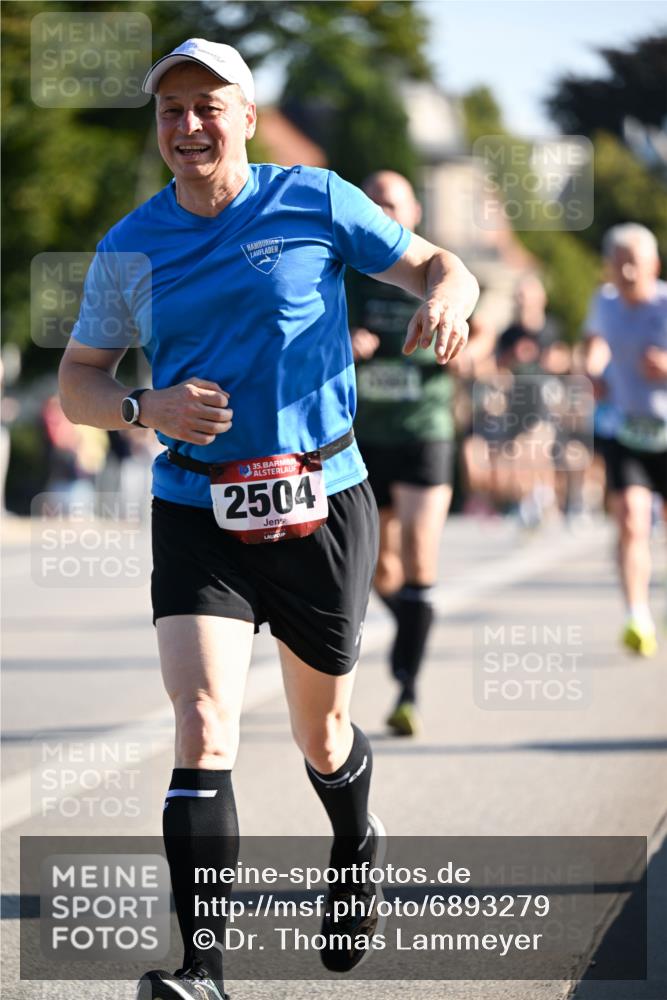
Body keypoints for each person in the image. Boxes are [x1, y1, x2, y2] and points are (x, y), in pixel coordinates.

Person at [58, 39, 478, 1000]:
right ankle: (202, 970)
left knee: (320, 735)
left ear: (247, 115)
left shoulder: (316, 200)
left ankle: (354, 838)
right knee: (202, 722)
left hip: (319, 499)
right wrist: (144, 409)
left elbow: (436, 266)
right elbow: (83, 379)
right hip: (195, 502)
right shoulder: (132, 245)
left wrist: (453, 296)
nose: (188, 126)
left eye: (208, 107)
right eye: (171, 111)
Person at [349, 171, 460, 736]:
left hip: (424, 430)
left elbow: (479, 326)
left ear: (414, 210)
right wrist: (346, 344)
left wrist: (461, 342)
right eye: (372, 202)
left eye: (392, 202)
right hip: (364, 437)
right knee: (377, 566)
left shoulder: (430, 268)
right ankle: (410, 624)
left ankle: (408, 685)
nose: (382, 211)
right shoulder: (349, 271)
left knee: (418, 553)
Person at [584, 223, 667, 657]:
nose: (629, 271)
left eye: (636, 262)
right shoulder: (605, 302)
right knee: (632, 521)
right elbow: (594, 342)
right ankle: (637, 615)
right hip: (626, 428)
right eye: (620, 264)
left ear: (654, 263)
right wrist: (594, 371)